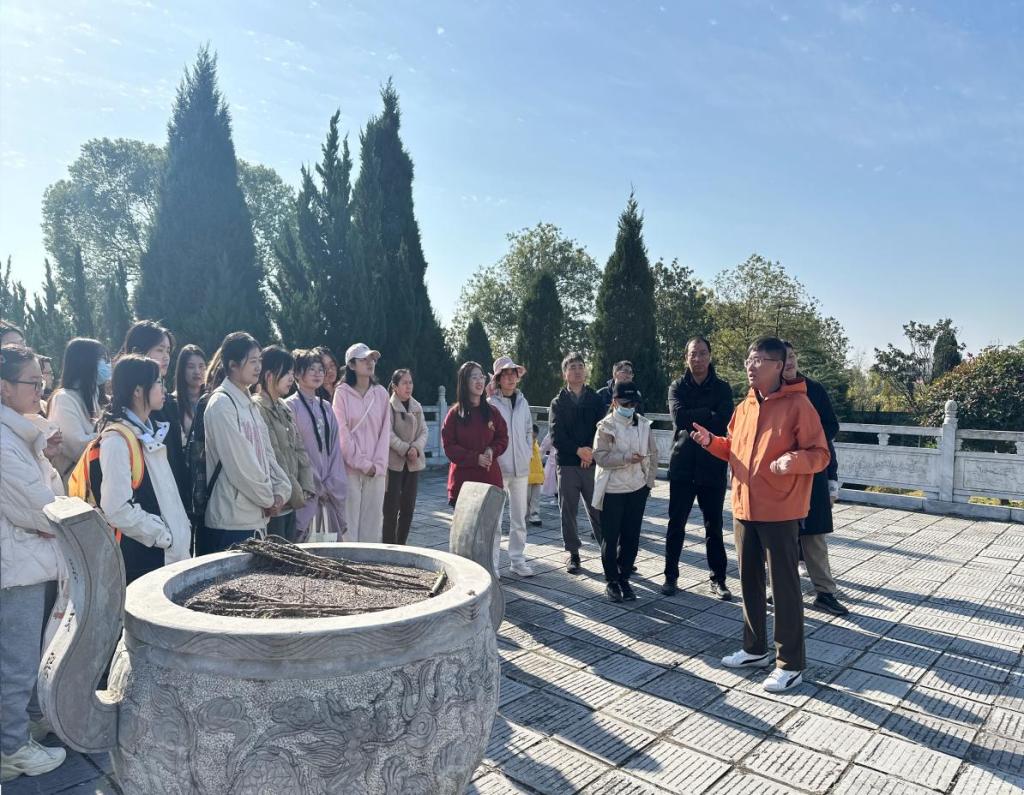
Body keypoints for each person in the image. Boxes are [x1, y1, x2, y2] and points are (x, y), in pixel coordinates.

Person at [691, 336, 829, 693]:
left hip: (780, 509)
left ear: (779, 366)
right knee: (749, 582)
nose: (751, 366)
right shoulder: (745, 407)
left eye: (759, 360)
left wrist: (793, 460)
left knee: (784, 588)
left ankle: (790, 663)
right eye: (749, 359)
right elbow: (734, 450)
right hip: (744, 507)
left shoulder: (799, 405)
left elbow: (820, 454)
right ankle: (754, 649)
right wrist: (711, 443)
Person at [0, 345, 68, 782]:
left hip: (28, 561)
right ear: (4, 388)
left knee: (25, 655)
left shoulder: (22, 434)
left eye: (42, 382)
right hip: (15, 568)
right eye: (32, 382)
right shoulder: (4, 442)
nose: (40, 390)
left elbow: (46, 503)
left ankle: (21, 729)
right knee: (17, 661)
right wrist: (50, 520)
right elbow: (42, 508)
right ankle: (10, 750)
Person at [91, 355, 191, 583]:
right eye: (157, 382)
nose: (163, 389)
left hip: (165, 557)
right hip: (145, 561)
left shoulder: (149, 431)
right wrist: (164, 536)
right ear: (138, 390)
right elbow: (116, 508)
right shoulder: (117, 439)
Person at [199, 332, 291, 554]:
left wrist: (281, 490)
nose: (258, 366)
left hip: (255, 517)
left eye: (260, 360)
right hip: (230, 521)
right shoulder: (222, 404)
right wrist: (268, 499)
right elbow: (240, 465)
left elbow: (267, 455)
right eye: (252, 361)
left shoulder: (249, 404)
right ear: (232, 364)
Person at [663, 336, 735, 599]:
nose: (698, 358)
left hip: (712, 465)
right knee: (676, 524)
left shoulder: (722, 388)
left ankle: (719, 579)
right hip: (683, 465)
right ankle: (670, 577)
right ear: (686, 357)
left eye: (703, 353)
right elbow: (679, 417)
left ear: (710, 355)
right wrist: (708, 414)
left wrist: (697, 414)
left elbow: (723, 421)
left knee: (714, 526)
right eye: (693, 354)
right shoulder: (677, 386)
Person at [782, 341, 849, 616]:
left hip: (812, 470)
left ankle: (825, 592)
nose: (789, 362)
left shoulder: (813, 389)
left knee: (814, 536)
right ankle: (782, 589)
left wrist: (809, 439)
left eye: (792, 356)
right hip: (782, 473)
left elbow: (831, 426)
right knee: (782, 536)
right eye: (784, 357)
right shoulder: (769, 391)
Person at [592, 381, 658, 602]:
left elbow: (653, 454)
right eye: (625, 403)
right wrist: (626, 458)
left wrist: (648, 483)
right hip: (612, 489)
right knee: (610, 538)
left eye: (633, 404)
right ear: (614, 402)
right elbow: (600, 457)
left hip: (637, 487)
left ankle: (624, 577)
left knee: (631, 538)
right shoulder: (605, 426)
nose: (629, 407)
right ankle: (611, 580)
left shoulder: (643, 424)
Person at [441, 361, 509, 571]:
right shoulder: (455, 414)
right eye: (474, 377)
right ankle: (466, 573)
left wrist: (491, 450)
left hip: (490, 480)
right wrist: (474, 458)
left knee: (491, 531)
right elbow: (449, 447)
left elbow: (502, 438)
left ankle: (492, 571)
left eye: (481, 376)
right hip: (464, 483)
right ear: (464, 382)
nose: (480, 381)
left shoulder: (492, 412)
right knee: (466, 533)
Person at [119, 321, 188, 506]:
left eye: (168, 351)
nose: (166, 357)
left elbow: (177, 460)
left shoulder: (168, 403)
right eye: (160, 350)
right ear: (138, 351)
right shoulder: (120, 413)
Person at [549, 352, 605, 574]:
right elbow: (556, 436)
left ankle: (608, 550)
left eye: (580, 366)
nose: (577, 370)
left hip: (591, 463)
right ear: (565, 374)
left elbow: (602, 428)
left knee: (598, 509)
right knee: (568, 510)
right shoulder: (558, 403)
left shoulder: (595, 399)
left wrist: (589, 452)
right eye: (572, 367)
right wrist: (578, 451)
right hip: (568, 464)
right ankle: (573, 553)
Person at [253, 346, 314, 542]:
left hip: (291, 500)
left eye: (291, 372)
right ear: (269, 375)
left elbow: (299, 448)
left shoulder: (283, 406)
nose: (291, 378)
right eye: (286, 372)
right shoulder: (257, 408)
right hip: (275, 501)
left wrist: (306, 485)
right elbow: (274, 457)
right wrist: (294, 492)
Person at [285, 350, 347, 541]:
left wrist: (330, 484)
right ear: (297, 373)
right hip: (306, 491)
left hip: (330, 489)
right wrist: (315, 485)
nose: (318, 373)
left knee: (330, 548)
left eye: (321, 369)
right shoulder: (290, 407)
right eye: (311, 369)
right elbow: (294, 451)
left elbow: (335, 449)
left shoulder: (326, 407)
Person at [333, 343, 390, 542]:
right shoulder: (341, 393)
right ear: (351, 365)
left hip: (376, 471)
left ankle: (370, 561)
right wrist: (363, 464)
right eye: (364, 359)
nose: (370, 362)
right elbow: (342, 433)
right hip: (350, 470)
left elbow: (385, 433)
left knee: (372, 525)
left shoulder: (381, 394)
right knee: (349, 526)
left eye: (372, 358)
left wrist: (378, 466)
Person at [488, 356, 535, 577]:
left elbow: (528, 430)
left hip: (521, 468)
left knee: (519, 518)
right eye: (505, 374)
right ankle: (493, 563)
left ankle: (517, 560)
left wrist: (527, 452)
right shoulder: (491, 404)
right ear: (498, 379)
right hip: (499, 467)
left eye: (513, 373)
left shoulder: (523, 401)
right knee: (495, 520)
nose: (510, 378)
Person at [48, 337, 109, 480]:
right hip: (75, 480)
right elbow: (77, 447)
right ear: (85, 363)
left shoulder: (93, 395)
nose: (106, 365)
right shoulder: (64, 399)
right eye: (101, 359)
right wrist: (110, 433)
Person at [383, 369, 428, 545]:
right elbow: (387, 433)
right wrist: (405, 448)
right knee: (391, 508)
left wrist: (415, 448)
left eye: (410, 382)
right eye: (404, 383)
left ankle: (402, 543)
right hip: (394, 463)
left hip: (413, 462)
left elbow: (424, 431)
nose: (408, 386)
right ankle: (388, 544)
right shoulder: (389, 407)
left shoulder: (417, 407)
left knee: (408, 507)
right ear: (395, 387)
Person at [173, 344, 207, 441]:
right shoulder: (172, 403)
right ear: (182, 370)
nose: (197, 371)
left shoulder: (211, 400)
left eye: (201, 366)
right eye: (191, 367)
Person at [527, 424, 544, 526]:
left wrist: (542, 475)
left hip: (537, 477)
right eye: (532, 436)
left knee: (535, 498)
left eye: (535, 437)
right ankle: (525, 514)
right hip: (527, 477)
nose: (533, 439)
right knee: (527, 497)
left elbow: (539, 461)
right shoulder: (524, 446)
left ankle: (534, 514)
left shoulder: (536, 445)